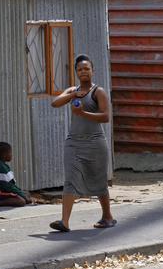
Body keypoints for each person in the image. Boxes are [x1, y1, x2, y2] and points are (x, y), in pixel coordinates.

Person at [49, 54, 116, 232]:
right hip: (74, 143)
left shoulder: (98, 92)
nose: (83, 72)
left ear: (92, 70)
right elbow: (55, 103)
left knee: (98, 180)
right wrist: (74, 93)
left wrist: (83, 113)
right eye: (80, 69)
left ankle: (107, 216)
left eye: (86, 69)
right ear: (76, 72)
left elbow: (106, 117)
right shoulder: (73, 90)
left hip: (95, 144)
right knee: (70, 178)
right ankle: (64, 221)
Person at [0, 141, 32, 207]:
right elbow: (8, 186)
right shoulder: (0, 167)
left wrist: (21, 193)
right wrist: (24, 197)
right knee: (21, 201)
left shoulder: (1, 164)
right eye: (10, 153)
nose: (11, 155)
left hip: (5, 190)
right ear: (4, 155)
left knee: (27, 193)